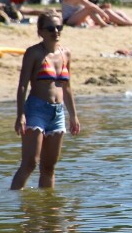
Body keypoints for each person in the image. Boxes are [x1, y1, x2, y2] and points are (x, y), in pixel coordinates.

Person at [10, 12, 80, 190]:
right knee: (30, 163)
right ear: (40, 31)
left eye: (59, 27)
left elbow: (67, 87)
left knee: (49, 167)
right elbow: (23, 86)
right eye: (50, 28)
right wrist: (21, 115)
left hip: (57, 113)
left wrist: (73, 115)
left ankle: (49, 212)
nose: (56, 31)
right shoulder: (33, 53)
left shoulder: (66, 53)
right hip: (36, 110)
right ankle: (15, 203)